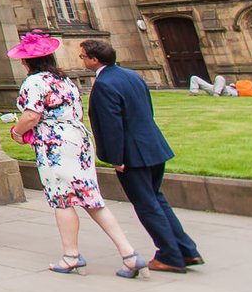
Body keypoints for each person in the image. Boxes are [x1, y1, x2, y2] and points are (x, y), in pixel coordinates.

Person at [8, 30, 145, 277]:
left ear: (27, 61)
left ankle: (71, 255)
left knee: (62, 199)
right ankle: (129, 254)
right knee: (91, 198)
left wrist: (17, 133)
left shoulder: (34, 82)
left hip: (55, 144)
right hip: (78, 140)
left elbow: (31, 116)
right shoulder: (65, 81)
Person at [80, 39, 202, 273]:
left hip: (131, 154)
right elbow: (146, 109)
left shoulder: (104, 84)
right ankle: (187, 250)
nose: (82, 60)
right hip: (153, 146)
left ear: (94, 60)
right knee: (158, 200)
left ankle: (170, 255)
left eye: (83, 57)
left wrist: (116, 158)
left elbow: (111, 125)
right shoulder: (132, 75)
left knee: (147, 205)